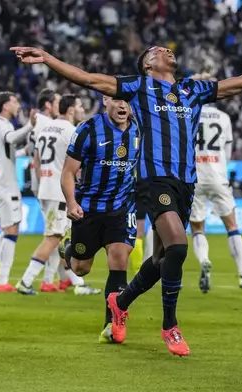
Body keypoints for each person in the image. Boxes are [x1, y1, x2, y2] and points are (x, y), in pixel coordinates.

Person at [11, 42, 242, 356]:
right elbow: (89, 79)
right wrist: (49, 58)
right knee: (177, 245)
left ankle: (120, 303)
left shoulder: (193, 89)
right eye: (158, 50)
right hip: (154, 181)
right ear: (148, 63)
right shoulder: (139, 86)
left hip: (185, 185)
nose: (167, 51)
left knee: (163, 260)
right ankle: (170, 326)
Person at [59, 96, 140, 342]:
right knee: (81, 268)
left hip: (122, 207)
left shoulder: (139, 129)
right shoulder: (88, 129)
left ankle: (112, 325)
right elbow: (68, 172)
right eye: (117, 99)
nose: (123, 105)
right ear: (105, 100)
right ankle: (69, 249)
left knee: (119, 259)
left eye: (128, 100)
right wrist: (72, 203)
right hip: (89, 209)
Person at [16, 95, 100, 296]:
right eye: (80, 106)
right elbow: (79, 164)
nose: (82, 109)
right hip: (59, 190)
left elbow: (35, 159)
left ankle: (77, 283)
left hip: (46, 187)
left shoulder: (46, 128)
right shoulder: (72, 131)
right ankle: (26, 281)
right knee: (53, 237)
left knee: (61, 235)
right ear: (71, 110)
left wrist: (42, 184)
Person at [188, 75, 242, 293]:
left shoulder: (189, 114)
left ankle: (204, 261)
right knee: (232, 226)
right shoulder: (224, 118)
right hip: (218, 175)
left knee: (197, 228)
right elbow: (227, 153)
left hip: (195, 176)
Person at [0, 92, 35, 292]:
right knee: (12, 231)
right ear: (4, 106)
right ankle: (2, 281)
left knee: (6, 228)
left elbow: (3, 150)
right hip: (5, 184)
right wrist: (30, 125)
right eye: (14, 101)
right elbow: (10, 139)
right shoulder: (4, 125)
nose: (18, 104)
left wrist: (22, 152)